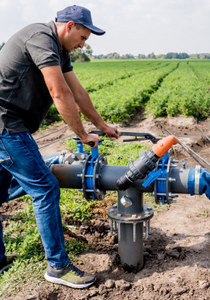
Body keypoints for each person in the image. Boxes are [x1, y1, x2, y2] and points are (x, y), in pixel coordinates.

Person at [0, 5, 118, 288]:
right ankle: (57, 267)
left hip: (8, 125)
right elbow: (59, 92)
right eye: (83, 37)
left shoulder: (60, 50)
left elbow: (77, 91)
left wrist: (101, 126)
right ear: (69, 26)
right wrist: (81, 133)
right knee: (45, 188)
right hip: (7, 126)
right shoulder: (41, 37)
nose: (82, 44)